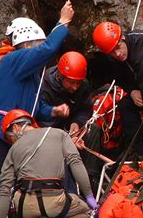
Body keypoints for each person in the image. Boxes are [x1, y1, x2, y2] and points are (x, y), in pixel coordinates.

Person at [0, 2, 74, 218]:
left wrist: (54, 111)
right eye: (37, 45)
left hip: (15, 137)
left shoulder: (30, 76)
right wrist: (62, 23)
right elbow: (49, 49)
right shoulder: (13, 61)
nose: (41, 52)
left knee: (24, 188)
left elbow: (35, 109)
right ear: (28, 43)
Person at [0, 109, 96, 218]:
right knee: (87, 212)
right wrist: (89, 196)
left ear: (17, 128)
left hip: (24, 205)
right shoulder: (59, 135)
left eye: (9, 137)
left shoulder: (12, 151)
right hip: (55, 202)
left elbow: (4, 191)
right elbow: (75, 162)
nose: (11, 142)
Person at [93, 22, 143, 157]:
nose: (118, 54)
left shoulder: (142, 51)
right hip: (140, 89)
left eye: (118, 48)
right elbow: (118, 76)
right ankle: (141, 151)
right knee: (125, 105)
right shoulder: (114, 56)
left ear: (122, 38)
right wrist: (132, 90)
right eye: (112, 52)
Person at [40, 51, 102, 192]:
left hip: (71, 128)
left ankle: (90, 177)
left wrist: (76, 125)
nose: (75, 87)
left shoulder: (83, 86)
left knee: (93, 129)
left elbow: (85, 110)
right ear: (60, 76)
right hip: (50, 131)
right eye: (71, 82)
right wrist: (65, 137)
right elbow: (41, 117)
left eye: (78, 83)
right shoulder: (44, 86)